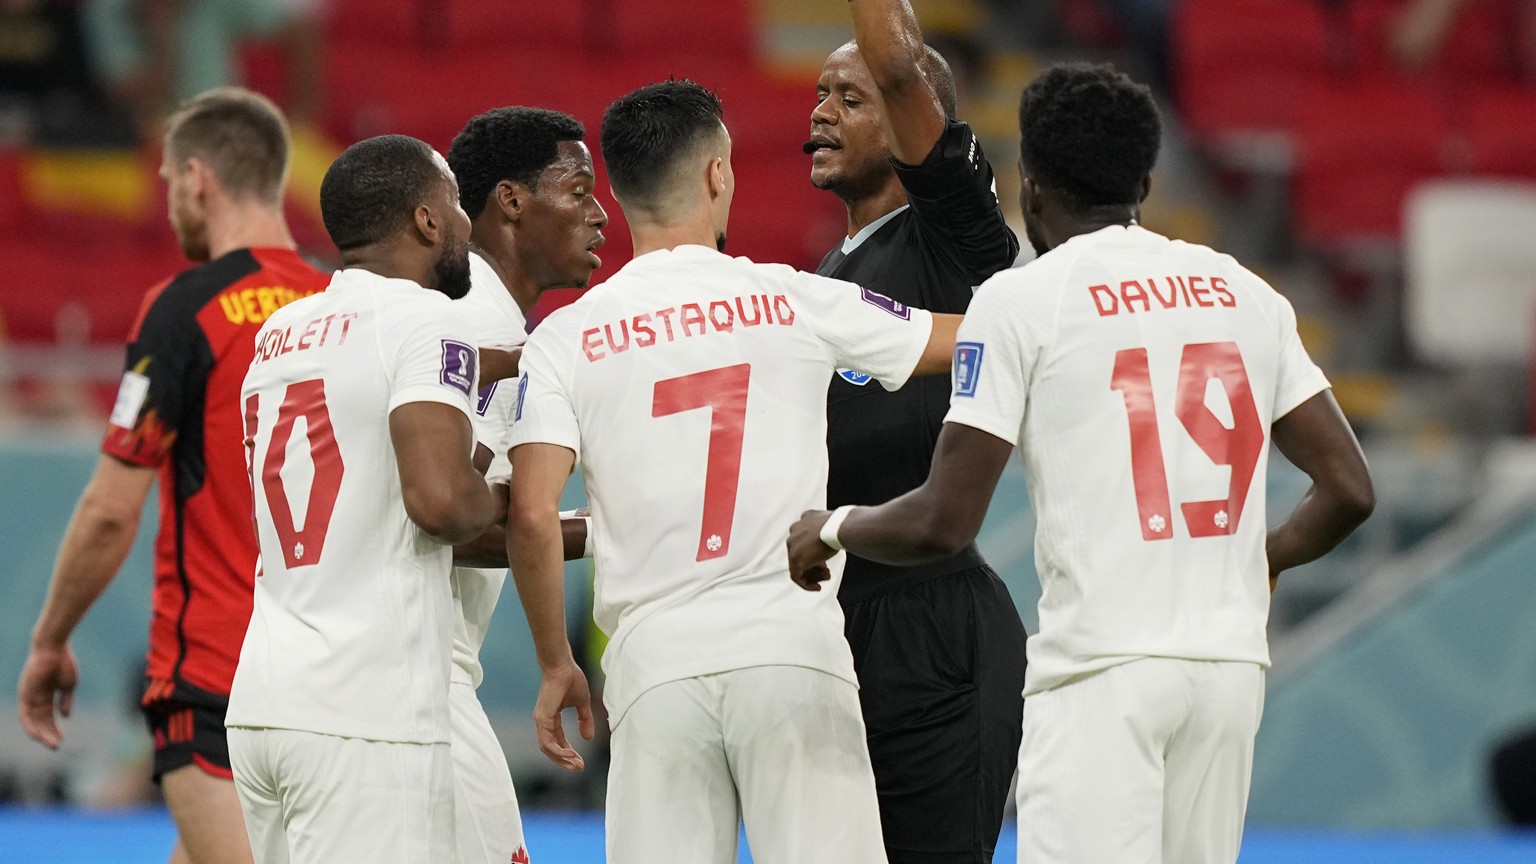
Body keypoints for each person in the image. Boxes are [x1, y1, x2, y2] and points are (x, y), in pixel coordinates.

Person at [788, 63, 1376, 864]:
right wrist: (1261, 560)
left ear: (1027, 182)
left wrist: (834, 528)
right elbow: (1348, 490)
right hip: (1229, 676)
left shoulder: (1023, 301)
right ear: (1144, 178)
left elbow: (943, 520)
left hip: (1103, 674)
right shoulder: (1246, 291)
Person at [506, 79, 960, 864]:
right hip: (791, 649)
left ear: (617, 190)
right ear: (717, 173)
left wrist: (557, 663)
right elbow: (960, 339)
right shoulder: (792, 297)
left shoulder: (564, 338)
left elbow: (535, 516)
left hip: (655, 667)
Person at [16, 86, 328, 864]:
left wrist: (50, 638)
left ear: (197, 178)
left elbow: (111, 511)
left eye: (166, 182)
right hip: (331, 675)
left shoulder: (188, 308)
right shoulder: (343, 304)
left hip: (216, 677)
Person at [226, 133, 498, 864]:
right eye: (456, 206)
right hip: (365, 714)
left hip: (264, 707)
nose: (468, 225)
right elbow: (441, 503)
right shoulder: (427, 320)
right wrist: (516, 502)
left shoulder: (277, 333)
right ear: (427, 221)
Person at [807, 2, 1026, 860]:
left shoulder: (958, 238)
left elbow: (902, 67)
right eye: (819, 92)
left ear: (904, 122)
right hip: (839, 611)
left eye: (851, 97)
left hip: (933, 618)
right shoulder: (830, 274)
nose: (820, 111)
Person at [440, 104, 609, 864]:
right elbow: (445, 519)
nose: (601, 214)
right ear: (509, 200)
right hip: (409, 686)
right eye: (578, 191)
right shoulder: (484, 326)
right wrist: (603, 528)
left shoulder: (449, 308)